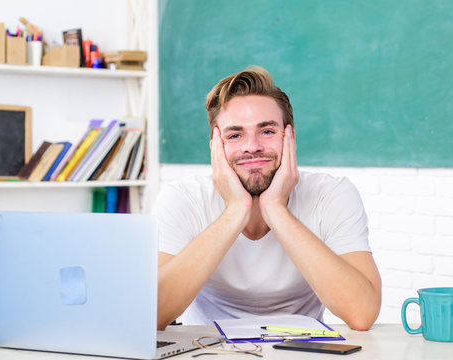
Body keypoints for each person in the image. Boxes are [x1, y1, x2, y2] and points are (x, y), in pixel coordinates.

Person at [154, 66, 382, 331]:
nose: (252, 146)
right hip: (205, 349)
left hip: (302, 349)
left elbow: (362, 313)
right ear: (216, 146)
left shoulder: (331, 195)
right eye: (235, 135)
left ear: (290, 138)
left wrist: (275, 209)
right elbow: (154, 313)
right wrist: (235, 210)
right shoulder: (183, 199)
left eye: (267, 131)